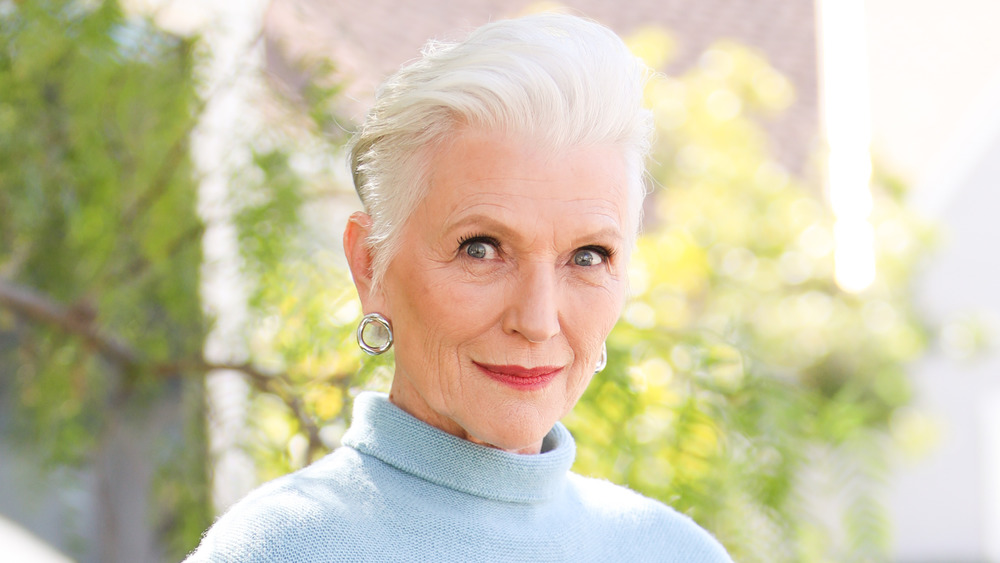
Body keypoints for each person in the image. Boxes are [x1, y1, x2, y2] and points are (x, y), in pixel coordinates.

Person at [186, 12, 732, 562]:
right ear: (371, 266)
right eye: (481, 248)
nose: (538, 319)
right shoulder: (278, 550)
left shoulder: (678, 552)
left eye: (587, 256)